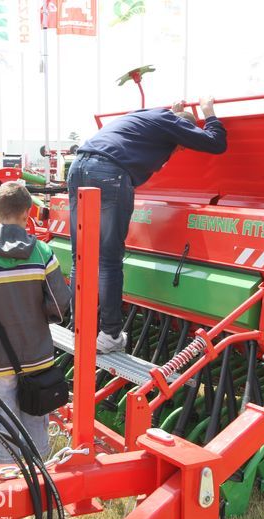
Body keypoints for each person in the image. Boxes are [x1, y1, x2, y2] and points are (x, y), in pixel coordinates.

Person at [67, 97, 227, 353]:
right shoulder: (170, 123)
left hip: (79, 166)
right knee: (108, 260)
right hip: (109, 173)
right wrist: (209, 113)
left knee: (81, 257)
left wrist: (177, 115)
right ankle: (109, 335)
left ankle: (80, 329)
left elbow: (160, 129)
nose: (180, 150)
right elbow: (216, 144)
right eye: (182, 146)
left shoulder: (150, 117)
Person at [0, 181, 70, 464]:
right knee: (36, 417)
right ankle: (38, 478)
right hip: (38, 354)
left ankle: (5, 477)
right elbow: (60, 305)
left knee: (2, 417)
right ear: (27, 213)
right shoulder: (43, 254)